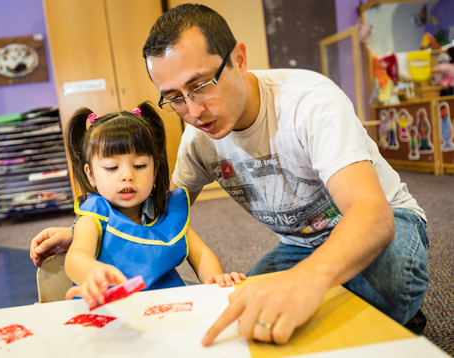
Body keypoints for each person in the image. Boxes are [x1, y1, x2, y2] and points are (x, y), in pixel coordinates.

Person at [31, 4, 429, 346]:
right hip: (299, 246)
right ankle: (348, 304)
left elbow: (372, 214)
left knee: (390, 280)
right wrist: (85, 230)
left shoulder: (310, 101)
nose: (193, 110)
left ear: (238, 57)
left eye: (201, 84)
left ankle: (358, 303)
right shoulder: (198, 140)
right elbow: (152, 209)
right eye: (174, 98)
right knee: (233, 305)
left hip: (390, 224)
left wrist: (307, 282)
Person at [60, 102, 243, 307]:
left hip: (168, 307)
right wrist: (91, 271)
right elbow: (76, 256)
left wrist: (216, 281)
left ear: (155, 169)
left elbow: (201, 255)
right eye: (112, 168)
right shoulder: (94, 217)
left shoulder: (168, 212)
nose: (127, 175)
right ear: (91, 174)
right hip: (114, 310)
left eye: (139, 166)